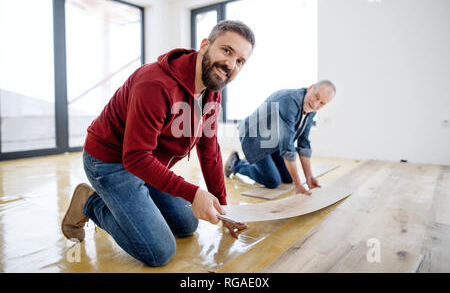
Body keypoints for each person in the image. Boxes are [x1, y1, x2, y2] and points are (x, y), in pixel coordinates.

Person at [61, 20, 255, 267]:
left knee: (187, 225)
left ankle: (136, 200)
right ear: (205, 45)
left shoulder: (212, 91)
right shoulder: (155, 83)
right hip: (110, 162)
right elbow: (135, 157)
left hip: (145, 162)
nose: (231, 65)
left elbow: (209, 150)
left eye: (240, 61)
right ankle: (90, 202)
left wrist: (223, 208)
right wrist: (193, 192)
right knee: (159, 251)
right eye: (227, 51)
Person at [224, 80, 336, 195]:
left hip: (273, 141)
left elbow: (304, 143)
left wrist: (309, 178)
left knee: (288, 178)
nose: (316, 105)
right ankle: (236, 164)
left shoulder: (311, 109)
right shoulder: (289, 101)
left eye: (322, 103)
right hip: (254, 138)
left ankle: (255, 161)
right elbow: (287, 148)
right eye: (316, 97)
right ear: (310, 88)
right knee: (272, 181)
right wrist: (298, 185)